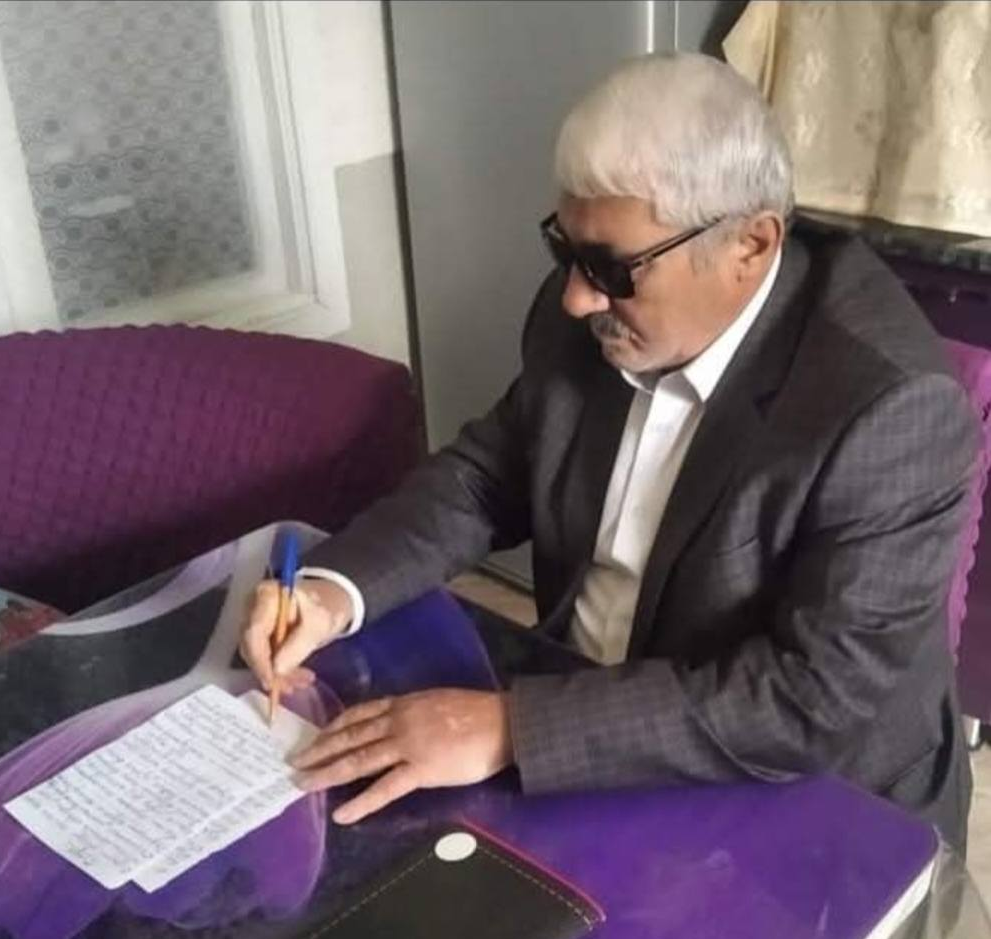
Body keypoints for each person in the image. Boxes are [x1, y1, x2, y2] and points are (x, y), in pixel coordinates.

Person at [240, 53, 978, 852]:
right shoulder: (587, 317)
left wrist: (511, 728)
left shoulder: (887, 404)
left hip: (811, 794)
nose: (575, 298)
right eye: (565, 250)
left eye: (611, 269)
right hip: (594, 712)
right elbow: (487, 477)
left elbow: (809, 698)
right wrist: (331, 591)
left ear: (750, 245)